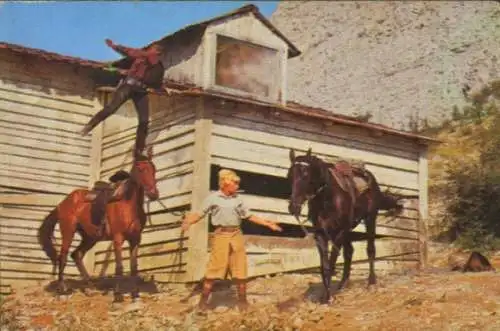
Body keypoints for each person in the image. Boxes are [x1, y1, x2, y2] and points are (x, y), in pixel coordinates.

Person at [181, 169, 283, 311]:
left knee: (240, 269)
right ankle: (203, 302)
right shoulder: (212, 198)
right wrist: (188, 222)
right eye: (234, 183)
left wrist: (267, 223)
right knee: (213, 270)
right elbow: (199, 214)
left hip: (236, 236)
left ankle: (243, 302)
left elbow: (249, 216)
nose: (237, 186)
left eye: (237, 183)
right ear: (225, 183)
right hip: (221, 236)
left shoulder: (238, 199)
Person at [80, 38, 164, 156]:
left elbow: (157, 84)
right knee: (111, 108)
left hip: (141, 91)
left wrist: (162, 90)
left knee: (144, 121)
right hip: (128, 86)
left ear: (158, 54)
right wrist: (114, 46)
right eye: (151, 51)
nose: (150, 53)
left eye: (153, 52)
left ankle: (139, 149)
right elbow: (127, 51)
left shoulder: (159, 68)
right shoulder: (141, 55)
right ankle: (89, 126)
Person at [85, 170, 130, 237]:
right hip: (108, 193)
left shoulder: (123, 188)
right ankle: (99, 224)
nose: (124, 183)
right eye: (123, 181)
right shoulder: (112, 189)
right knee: (103, 203)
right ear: (119, 181)